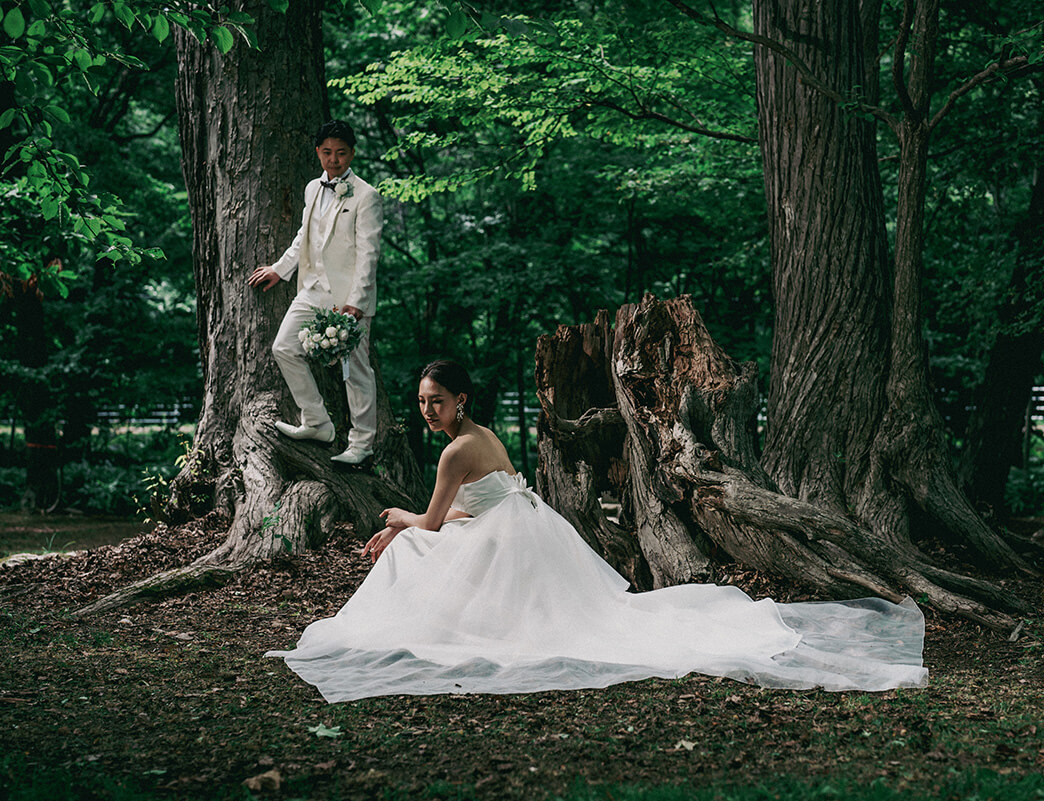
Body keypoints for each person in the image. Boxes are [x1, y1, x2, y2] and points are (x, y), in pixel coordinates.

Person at [267, 360, 928, 700]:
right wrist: (414, 526)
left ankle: (404, 630)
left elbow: (434, 520)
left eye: (435, 400)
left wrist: (394, 520)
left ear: (460, 399)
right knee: (417, 543)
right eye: (420, 402)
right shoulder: (476, 436)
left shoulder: (454, 449)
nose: (427, 409)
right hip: (519, 529)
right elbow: (474, 511)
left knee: (411, 542)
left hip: (511, 536)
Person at [248, 120, 383, 466]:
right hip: (311, 290)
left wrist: (356, 301)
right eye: (327, 152)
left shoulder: (367, 196)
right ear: (317, 152)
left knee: (355, 369)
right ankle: (317, 422)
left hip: (349, 298)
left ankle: (362, 444)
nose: (333, 160)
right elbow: (303, 237)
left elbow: (369, 255)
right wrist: (280, 269)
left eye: (340, 153)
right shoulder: (312, 189)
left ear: (352, 153)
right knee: (284, 347)